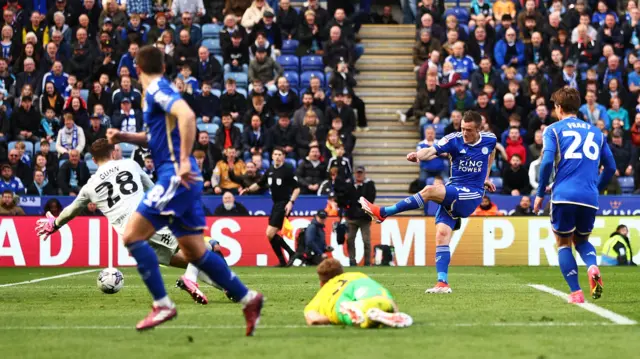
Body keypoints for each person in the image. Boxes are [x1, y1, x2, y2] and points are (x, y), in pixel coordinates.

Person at [98, 45, 262, 333]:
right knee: (196, 252)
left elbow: (186, 115)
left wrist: (184, 159)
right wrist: (123, 136)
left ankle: (163, 304)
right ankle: (249, 298)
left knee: (132, 235)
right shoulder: (156, 94)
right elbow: (155, 137)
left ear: (137, 70)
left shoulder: (156, 90)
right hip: (182, 179)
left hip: (174, 176)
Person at [36, 139, 226, 306]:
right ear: (113, 153)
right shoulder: (130, 164)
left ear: (93, 160)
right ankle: (190, 279)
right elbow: (152, 189)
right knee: (205, 246)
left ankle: (226, 288)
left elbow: (71, 210)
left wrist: (55, 225)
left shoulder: (89, 187)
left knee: (188, 261)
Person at [359, 111, 497, 294]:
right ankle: (442, 282)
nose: (465, 133)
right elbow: (431, 151)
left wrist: (486, 177)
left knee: (431, 190)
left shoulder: (490, 139)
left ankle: (383, 212)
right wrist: (418, 155)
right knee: (442, 233)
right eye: (462, 128)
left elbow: (491, 152)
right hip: (454, 188)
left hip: (472, 193)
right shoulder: (453, 139)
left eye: (469, 130)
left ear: (479, 128)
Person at [534, 88, 617, 304]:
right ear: (577, 107)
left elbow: (546, 163)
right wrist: (595, 187)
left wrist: (540, 192)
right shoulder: (596, 133)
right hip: (589, 196)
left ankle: (576, 293)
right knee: (582, 240)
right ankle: (592, 266)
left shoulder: (553, 130)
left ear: (558, 108)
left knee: (563, 243)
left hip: (563, 194)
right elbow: (611, 167)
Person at [304, 258, 412, 328]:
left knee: (343, 312)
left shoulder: (321, 293)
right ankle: (389, 309)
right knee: (380, 297)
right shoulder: (355, 274)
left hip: (337, 302)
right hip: (357, 282)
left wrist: (330, 319)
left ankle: (362, 315)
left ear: (322, 283)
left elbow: (313, 319)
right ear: (341, 272)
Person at [240, 147, 299, 267]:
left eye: (279, 154)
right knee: (270, 235)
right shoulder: (270, 170)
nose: (277, 157)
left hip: (284, 203)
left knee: (270, 233)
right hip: (275, 204)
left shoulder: (287, 170)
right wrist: (247, 189)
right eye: (275, 154)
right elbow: (260, 184)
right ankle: (283, 260)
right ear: (272, 156)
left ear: (283, 157)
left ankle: (291, 253)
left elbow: (297, 188)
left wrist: (291, 202)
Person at [346, 166, 375, 267]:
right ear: (354, 174)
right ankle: (352, 260)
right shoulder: (349, 184)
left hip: (364, 218)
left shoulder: (369, 184)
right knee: (350, 239)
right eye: (357, 173)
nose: (359, 175)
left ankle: (367, 262)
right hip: (352, 218)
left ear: (364, 174)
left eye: (360, 173)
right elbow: (347, 198)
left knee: (366, 241)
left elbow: (370, 199)